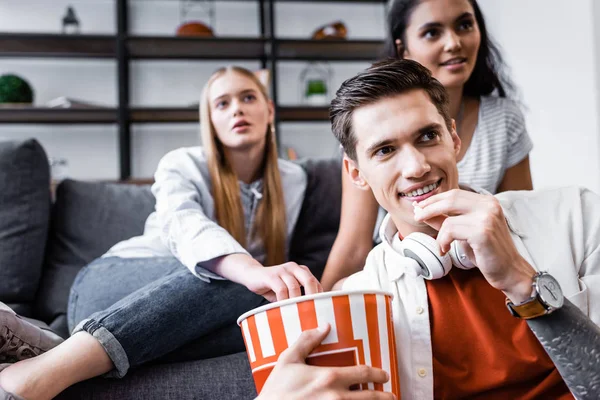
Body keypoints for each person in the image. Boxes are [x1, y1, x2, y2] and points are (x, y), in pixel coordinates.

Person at [257, 59, 600, 399]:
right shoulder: (363, 300)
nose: (417, 167)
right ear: (356, 173)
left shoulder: (576, 215)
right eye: (386, 150)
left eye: (427, 136)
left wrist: (520, 281)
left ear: (453, 139)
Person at [0, 66, 322, 399]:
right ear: (209, 120)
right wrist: (251, 271)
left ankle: (63, 351)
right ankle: (47, 370)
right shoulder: (181, 163)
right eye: (222, 104)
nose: (237, 108)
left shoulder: (294, 179)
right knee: (235, 279)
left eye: (248, 97)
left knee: (262, 321)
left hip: (194, 314)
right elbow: (183, 225)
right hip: (113, 283)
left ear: (269, 110)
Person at [321, 0, 534, 291]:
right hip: (403, 276)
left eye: (464, 25)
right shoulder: (367, 127)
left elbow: (521, 222)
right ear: (403, 49)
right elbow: (353, 246)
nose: (454, 43)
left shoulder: (504, 118)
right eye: (433, 32)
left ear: (453, 137)